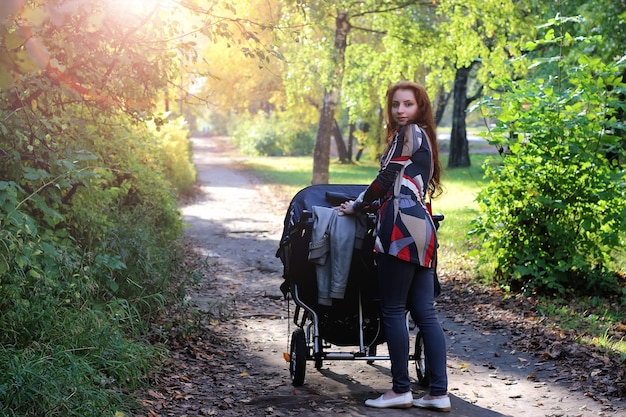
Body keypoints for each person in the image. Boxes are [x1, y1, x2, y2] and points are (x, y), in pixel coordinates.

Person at [337, 81, 450, 411]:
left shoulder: (410, 133)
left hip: (400, 229)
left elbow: (386, 181)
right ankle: (438, 393)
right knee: (425, 312)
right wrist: (364, 203)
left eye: (408, 104)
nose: (401, 110)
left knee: (393, 309)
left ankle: (401, 389)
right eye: (396, 105)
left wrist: (357, 205)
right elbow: (401, 186)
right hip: (424, 229)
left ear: (420, 108)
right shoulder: (424, 138)